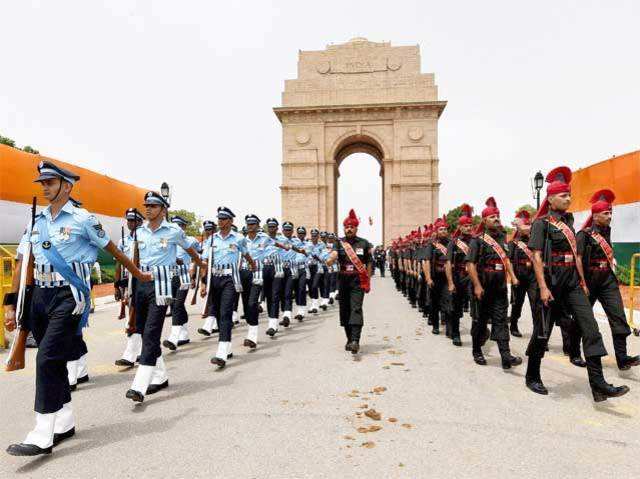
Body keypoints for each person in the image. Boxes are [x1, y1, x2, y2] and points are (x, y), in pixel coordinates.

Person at [4, 161, 151, 456]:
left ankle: (42, 431)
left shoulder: (84, 219)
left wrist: (137, 275)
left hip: (69, 296)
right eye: (42, 183)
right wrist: (11, 303)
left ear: (67, 186)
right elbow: (23, 261)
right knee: (54, 360)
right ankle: (65, 420)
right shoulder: (37, 220)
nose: (44, 187)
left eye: (50, 182)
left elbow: (114, 250)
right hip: (39, 297)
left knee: (46, 358)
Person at [524, 167, 629, 401]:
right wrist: (542, 287)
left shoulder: (569, 222)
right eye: (563, 196)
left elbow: (575, 257)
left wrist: (581, 281)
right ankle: (532, 375)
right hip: (550, 283)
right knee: (542, 332)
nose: (569, 199)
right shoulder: (542, 224)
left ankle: (598, 384)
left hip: (571, 283)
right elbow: (537, 256)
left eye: (569, 195)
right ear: (550, 199)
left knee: (590, 328)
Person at [125, 192, 204, 403]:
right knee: (142, 330)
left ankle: (139, 386)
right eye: (146, 205)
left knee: (151, 332)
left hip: (162, 284)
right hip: (141, 282)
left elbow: (190, 249)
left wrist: (199, 265)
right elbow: (135, 258)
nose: (148, 208)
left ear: (163, 209)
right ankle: (160, 377)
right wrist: (129, 285)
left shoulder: (173, 231)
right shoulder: (139, 232)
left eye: (153, 205)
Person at [577, 189, 639, 371]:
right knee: (583, 320)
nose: (610, 216)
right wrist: (581, 282)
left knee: (618, 317)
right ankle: (573, 350)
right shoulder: (584, 235)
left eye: (611, 212)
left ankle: (623, 358)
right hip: (589, 281)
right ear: (595, 216)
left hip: (607, 281)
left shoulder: (607, 232)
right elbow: (579, 258)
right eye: (606, 213)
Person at [466, 197, 523, 370]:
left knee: (500, 321)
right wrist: (477, 285)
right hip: (483, 286)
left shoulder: (502, 239)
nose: (496, 219)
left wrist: (512, 277)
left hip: (499, 286)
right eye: (492, 217)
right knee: (480, 321)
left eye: (497, 216)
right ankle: (477, 350)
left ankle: (506, 357)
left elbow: (506, 260)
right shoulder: (477, 240)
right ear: (484, 220)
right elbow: (470, 265)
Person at [199, 207, 255, 368]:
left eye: (223, 219)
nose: (220, 222)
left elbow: (246, 254)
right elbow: (205, 262)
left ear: (231, 221)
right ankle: (228, 347)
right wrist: (203, 283)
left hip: (230, 278)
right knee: (216, 312)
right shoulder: (211, 239)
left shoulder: (238, 238)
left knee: (225, 312)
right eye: (219, 219)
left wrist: (252, 265)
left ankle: (222, 352)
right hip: (215, 279)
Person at [327, 209, 373, 354]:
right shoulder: (339, 243)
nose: (349, 229)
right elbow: (334, 254)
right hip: (343, 279)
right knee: (345, 310)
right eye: (347, 227)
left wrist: (368, 280)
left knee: (356, 308)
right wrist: (330, 259)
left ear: (356, 228)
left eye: (352, 227)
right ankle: (349, 338)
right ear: (344, 228)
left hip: (358, 280)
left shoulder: (364, 244)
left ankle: (355, 340)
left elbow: (370, 263)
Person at [162, 215, 199, 351]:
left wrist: (193, 273)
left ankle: (174, 337)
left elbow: (199, 256)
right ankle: (184, 334)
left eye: (179, 225)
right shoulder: (165, 239)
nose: (175, 227)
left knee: (177, 304)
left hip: (184, 275)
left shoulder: (190, 240)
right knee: (173, 304)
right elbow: (162, 253)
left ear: (184, 227)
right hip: (170, 274)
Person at [114, 208, 145, 367]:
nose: (130, 223)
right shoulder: (123, 240)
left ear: (140, 222)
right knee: (131, 316)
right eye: (128, 220)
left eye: (133, 220)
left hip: (141, 281)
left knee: (135, 316)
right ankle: (139, 351)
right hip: (127, 282)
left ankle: (131, 354)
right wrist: (116, 284)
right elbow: (118, 262)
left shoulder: (146, 237)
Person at [445, 204, 474, 347]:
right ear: (460, 227)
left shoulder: (476, 241)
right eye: (466, 226)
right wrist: (450, 282)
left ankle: (479, 333)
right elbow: (448, 263)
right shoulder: (454, 243)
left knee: (476, 306)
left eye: (470, 225)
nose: (469, 228)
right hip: (458, 277)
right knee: (456, 308)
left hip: (473, 278)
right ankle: (455, 334)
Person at [507, 209, 536, 338]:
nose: (528, 228)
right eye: (525, 225)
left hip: (533, 278)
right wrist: (513, 278)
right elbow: (510, 262)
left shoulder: (535, 241)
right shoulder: (513, 243)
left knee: (536, 305)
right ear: (518, 227)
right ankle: (513, 325)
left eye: (529, 225)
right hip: (519, 277)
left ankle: (538, 334)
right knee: (517, 304)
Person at [425, 217, 452, 336]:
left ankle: (448, 327)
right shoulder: (432, 245)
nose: (444, 231)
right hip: (435, 277)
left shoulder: (452, 243)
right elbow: (426, 262)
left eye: (445, 229)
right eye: (441, 229)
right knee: (434, 303)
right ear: (437, 231)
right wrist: (428, 278)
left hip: (447, 278)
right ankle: (435, 325)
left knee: (448, 302)